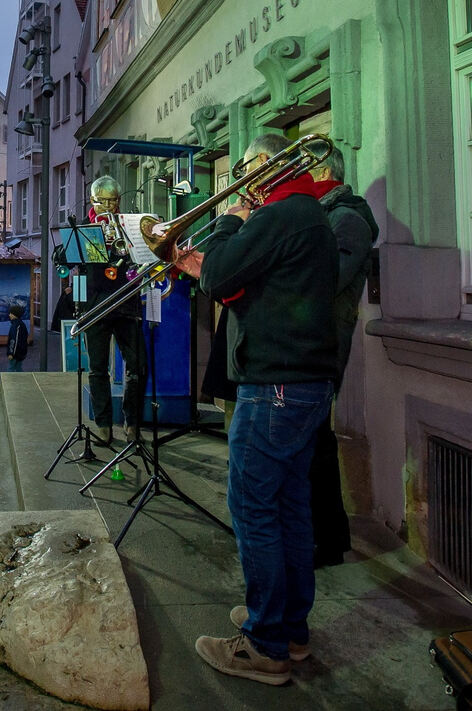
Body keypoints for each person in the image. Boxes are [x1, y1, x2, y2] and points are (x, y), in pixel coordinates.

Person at [177, 132, 338, 686]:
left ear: (266, 166)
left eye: (245, 170)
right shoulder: (308, 214)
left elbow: (222, 273)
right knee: (290, 506)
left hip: (274, 386)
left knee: (254, 509)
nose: (240, 180)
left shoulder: (280, 214)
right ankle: (290, 629)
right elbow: (246, 284)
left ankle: (264, 643)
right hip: (304, 384)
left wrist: (228, 218)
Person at [307, 146, 379, 567]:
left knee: (316, 443)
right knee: (313, 442)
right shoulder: (323, 214)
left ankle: (329, 541)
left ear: (321, 172)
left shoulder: (346, 219)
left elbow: (325, 281)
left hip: (324, 345)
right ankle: (325, 537)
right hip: (312, 343)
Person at [83, 176, 147, 444]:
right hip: (96, 306)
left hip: (127, 304)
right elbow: (65, 258)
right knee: (98, 369)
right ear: (93, 201)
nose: (110, 206)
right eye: (104, 201)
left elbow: (143, 256)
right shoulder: (85, 229)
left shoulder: (128, 227)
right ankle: (104, 425)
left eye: (114, 200)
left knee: (138, 366)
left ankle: (132, 423)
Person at [7, 304, 28, 372]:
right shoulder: (21, 324)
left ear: (14, 314)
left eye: (11, 313)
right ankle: (21, 380)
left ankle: (8, 381)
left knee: (10, 368)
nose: (9, 315)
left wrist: (11, 353)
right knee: (18, 368)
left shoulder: (15, 326)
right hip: (21, 352)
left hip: (16, 353)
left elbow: (14, 340)